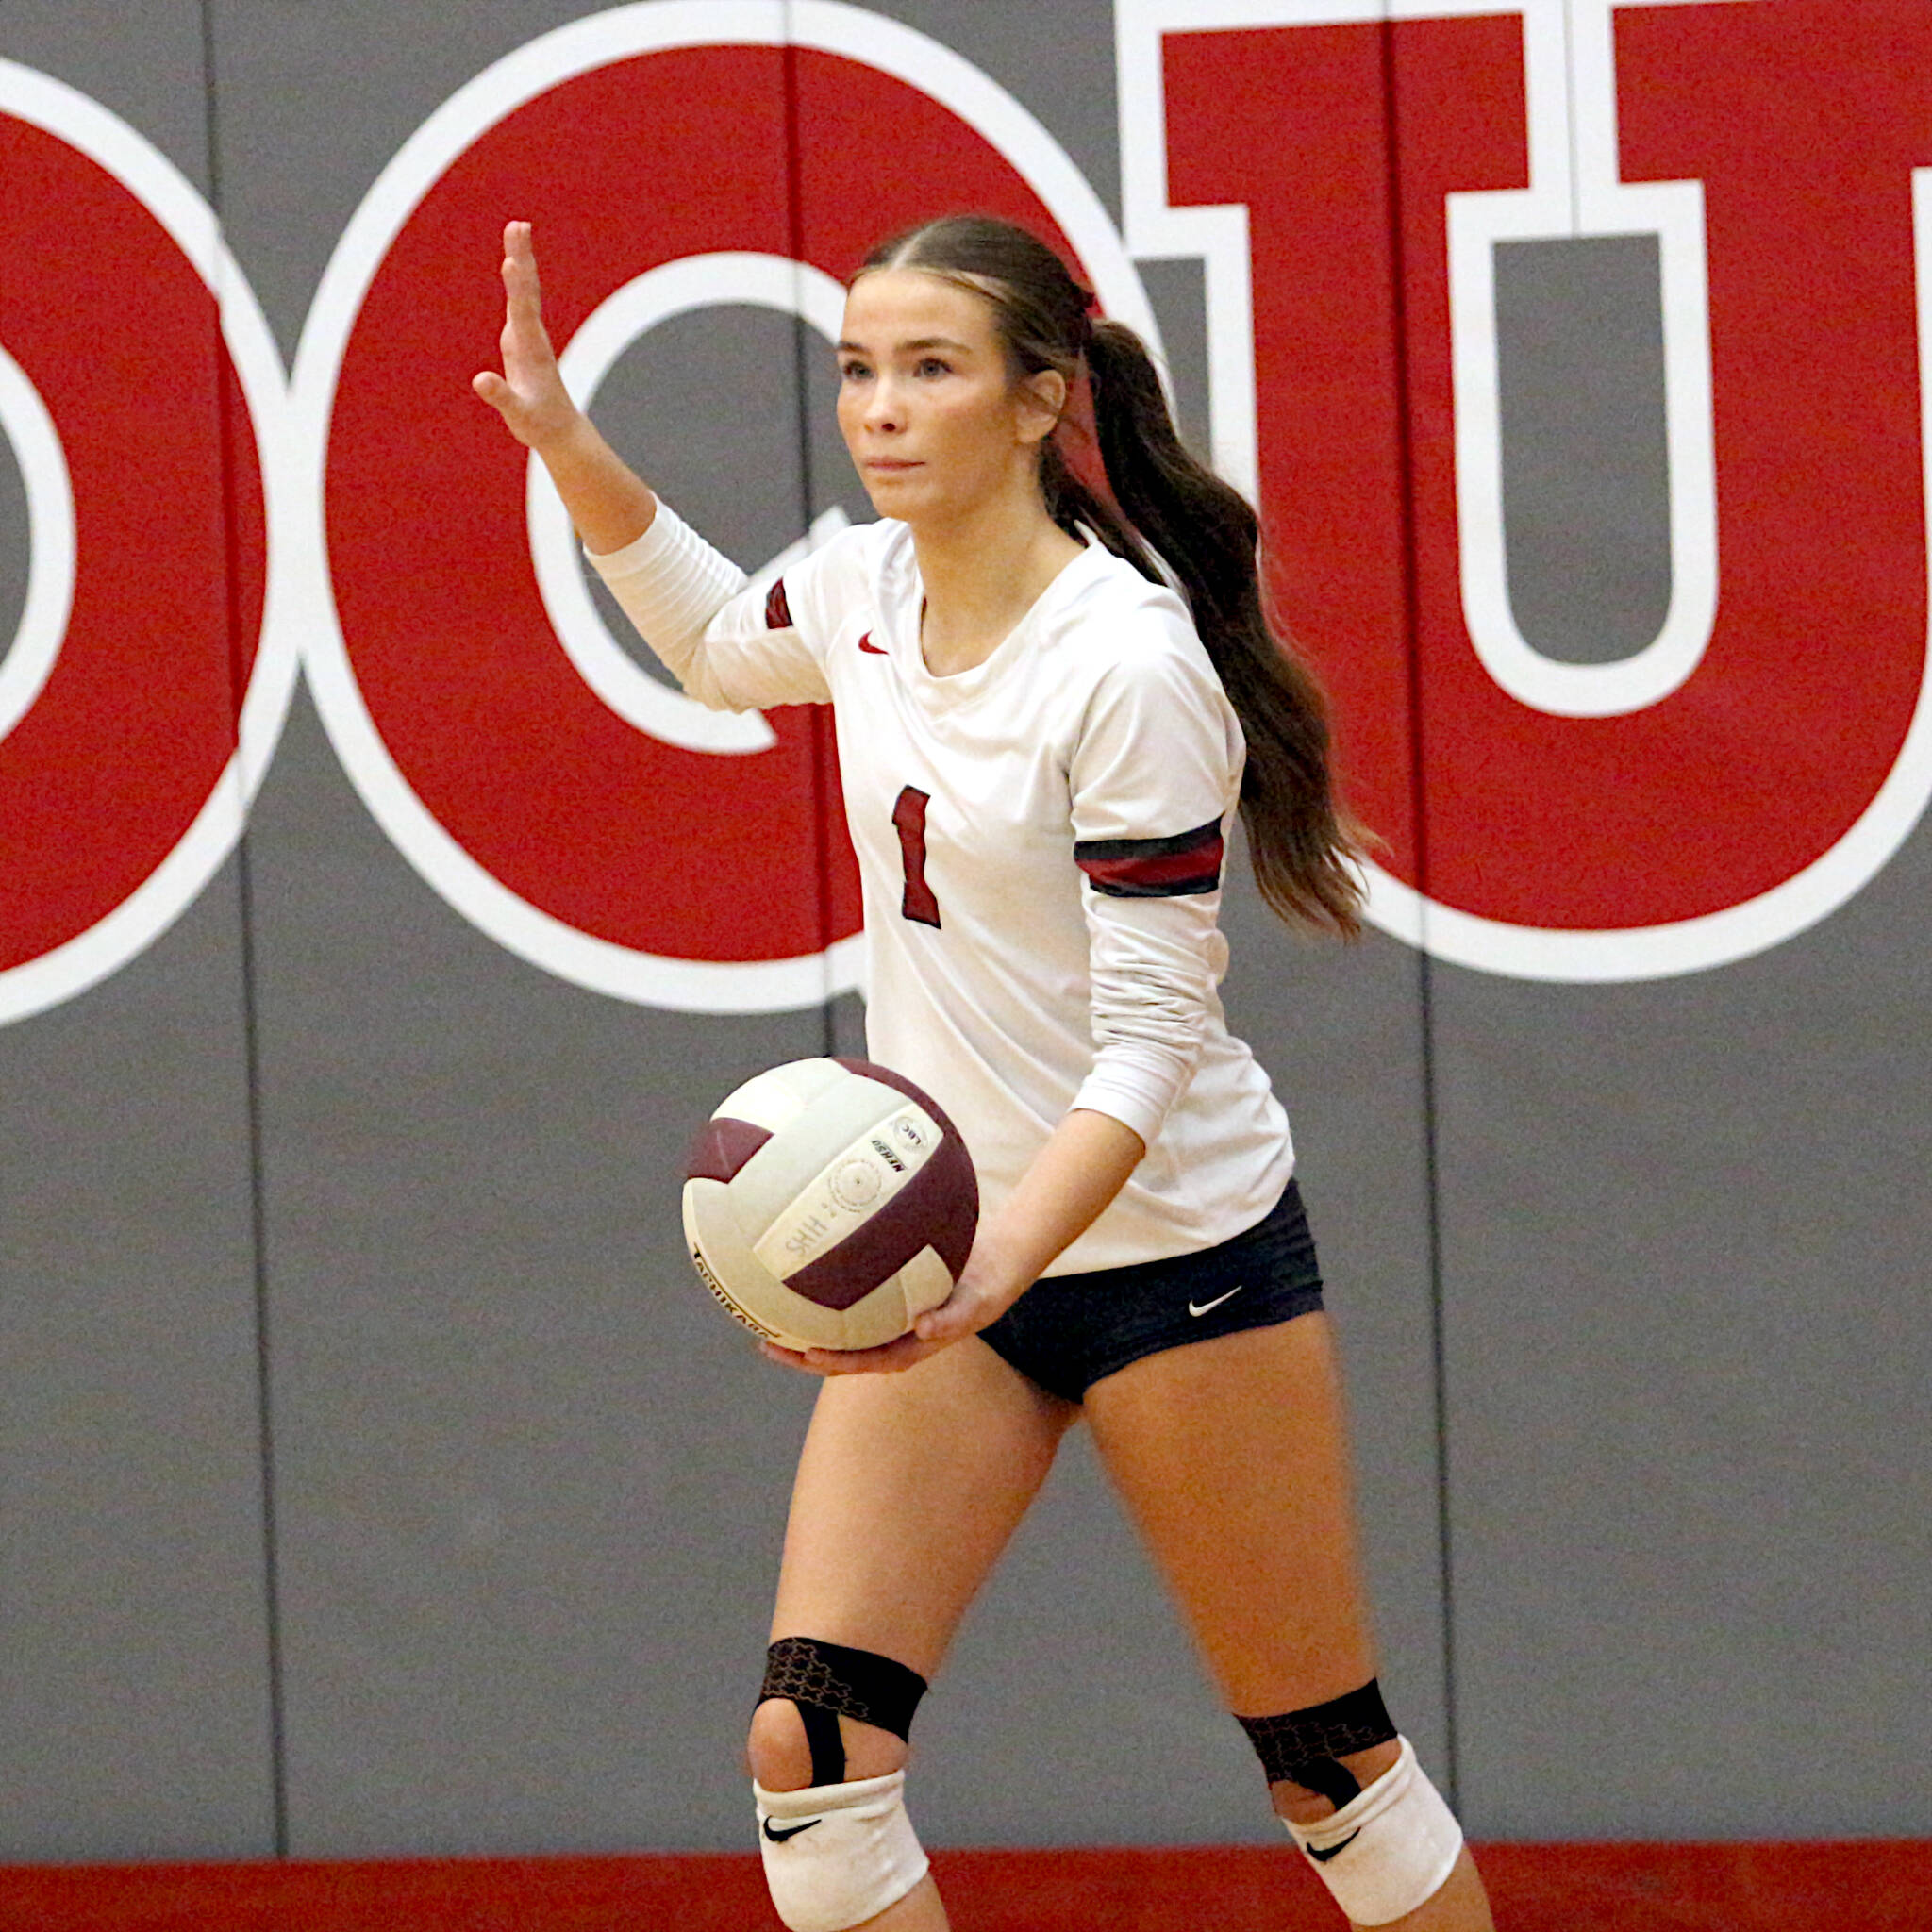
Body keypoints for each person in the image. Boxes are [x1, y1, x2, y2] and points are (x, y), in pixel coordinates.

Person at [475, 212, 1495, 1932]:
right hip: (959, 1261)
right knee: (812, 1755)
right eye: (860, 368)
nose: (879, 407)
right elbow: (723, 643)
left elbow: (1155, 1038)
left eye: (929, 368)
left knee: (1333, 1772)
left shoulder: (1125, 664)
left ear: (1039, 403)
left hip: (1176, 1258)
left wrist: (1008, 1255)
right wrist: (571, 445)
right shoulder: (868, 588)